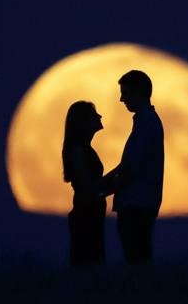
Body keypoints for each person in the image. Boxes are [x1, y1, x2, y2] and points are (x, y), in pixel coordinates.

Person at [100, 70, 164, 264]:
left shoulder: (147, 123)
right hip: (138, 203)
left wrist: (100, 191)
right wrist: (101, 184)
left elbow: (131, 169)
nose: (121, 99)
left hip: (138, 204)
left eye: (125, 93)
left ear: (138, 92)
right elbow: (126, 165)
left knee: (136, 259)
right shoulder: (145, 122)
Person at [62, 100, 106, 266]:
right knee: (88, 263)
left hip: (90, 213)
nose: (100, 116)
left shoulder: (84, 148)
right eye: (94, 115)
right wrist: (115, 182)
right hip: (86, 214)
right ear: (84, 122)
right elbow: (87, 186)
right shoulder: (80, 150)